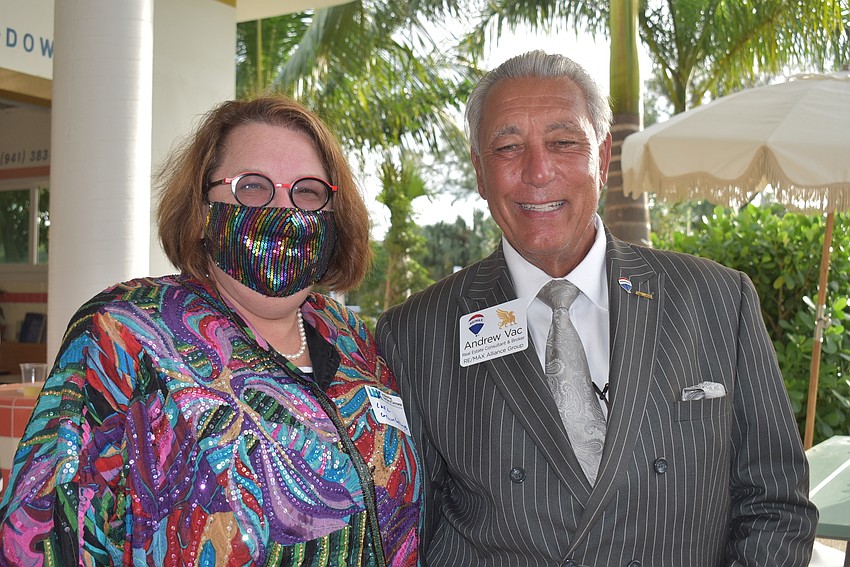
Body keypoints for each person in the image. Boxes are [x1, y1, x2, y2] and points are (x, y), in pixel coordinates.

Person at [376, 50, 818, 566]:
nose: (538, 172)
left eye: (563, 143)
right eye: (507, 147)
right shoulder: (414, 334)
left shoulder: (719, 301)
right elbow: (408, 531)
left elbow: (776, 504)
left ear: (603, 157)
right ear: (479, 171)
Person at [0, 96, 421, 566]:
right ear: (203, 211)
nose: (284, 209)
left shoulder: (355, 340)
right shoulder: (124, 333)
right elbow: (40, 535)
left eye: (307, 191)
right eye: (253, 187)